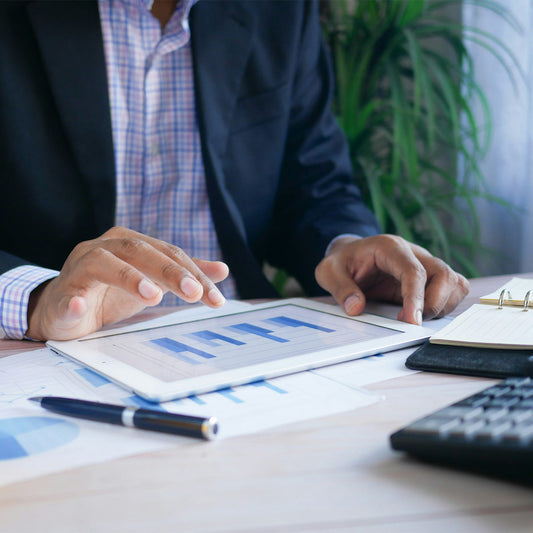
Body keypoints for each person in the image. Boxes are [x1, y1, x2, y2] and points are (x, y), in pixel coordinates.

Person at [0, 0, 468, 342]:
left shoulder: (280, 10)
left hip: (242, 336)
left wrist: (347, 246)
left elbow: (313, 184)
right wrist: (38, 299)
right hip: (50, 350)